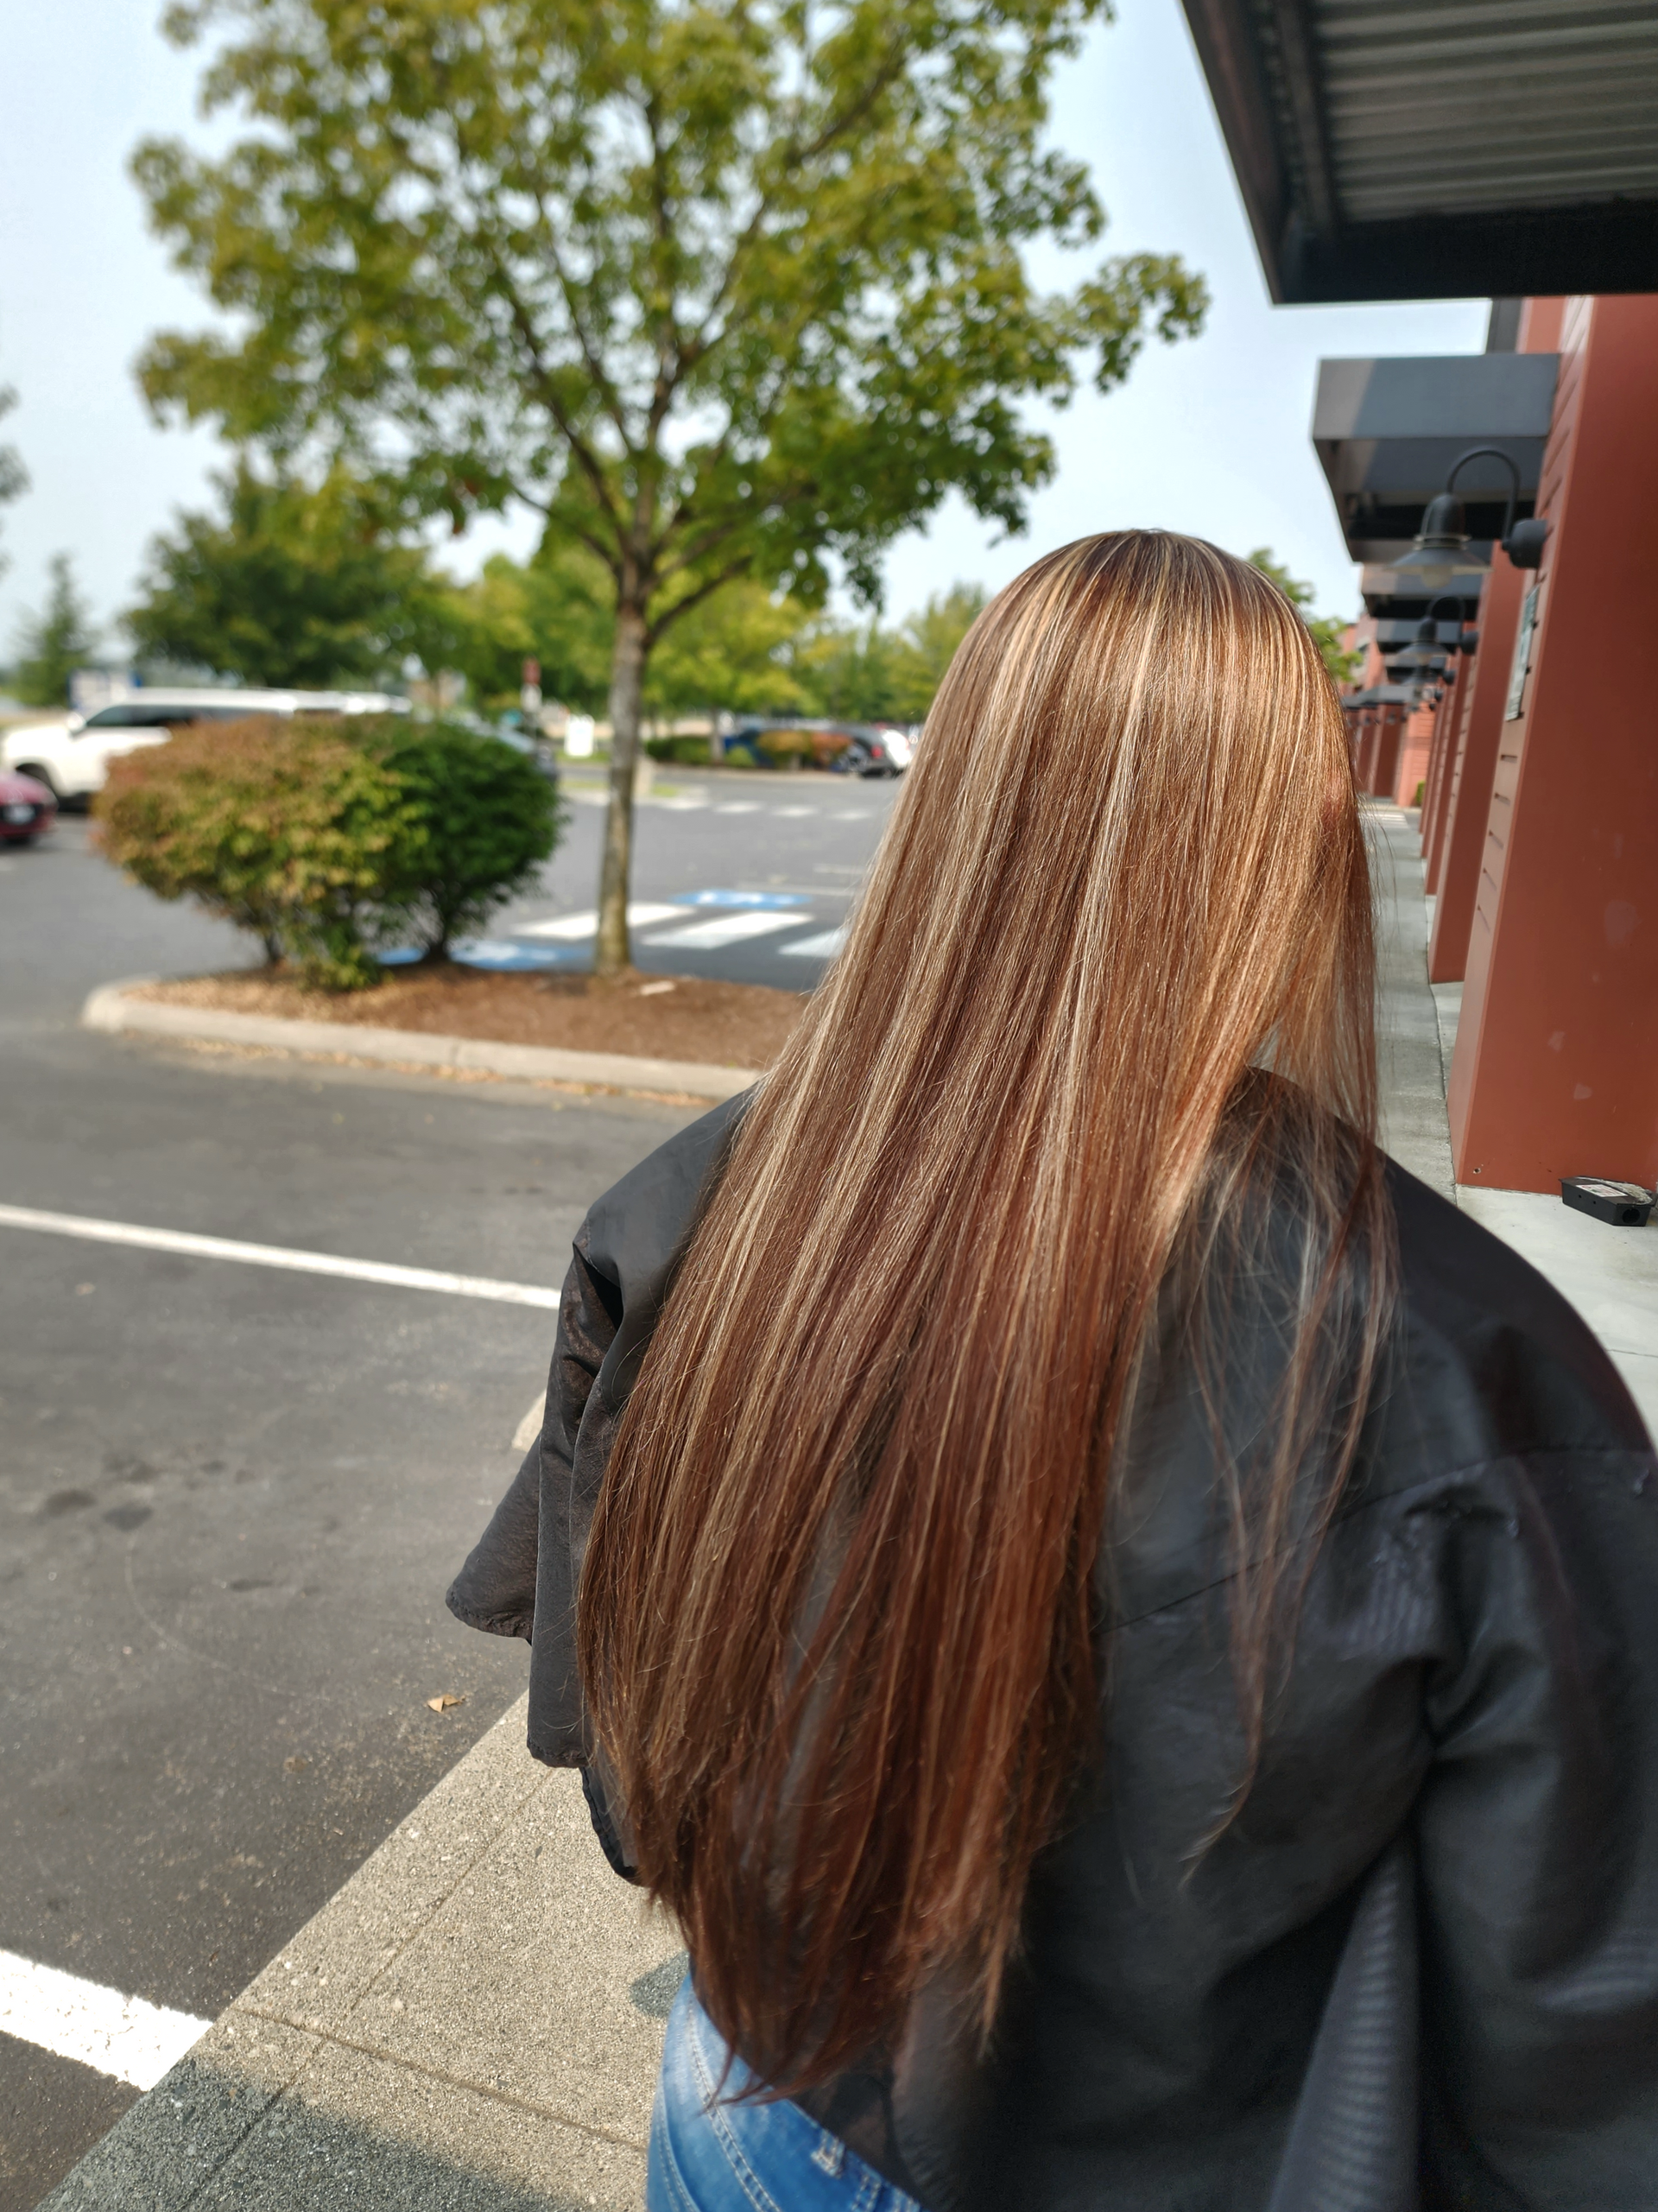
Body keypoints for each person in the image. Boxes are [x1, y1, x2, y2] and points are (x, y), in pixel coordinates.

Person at [448, 532, 1658, 2212]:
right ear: (1295, 849)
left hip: (744, 2099)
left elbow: (611, 1702)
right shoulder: (1461, 1358)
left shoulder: (713, 1185)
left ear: (956, 803)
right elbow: (1576, 2042)